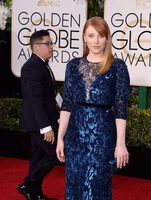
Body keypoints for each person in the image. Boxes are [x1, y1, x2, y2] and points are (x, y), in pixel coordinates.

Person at [56, 16, 130, 199]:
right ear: (84, 38)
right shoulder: (73, 66)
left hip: (102, 136)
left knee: (96, 183)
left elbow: (121, 106)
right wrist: (60, 137)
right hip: (75, 135)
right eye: (91, 35)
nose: (96, 41)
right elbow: (67, 103)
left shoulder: (117, 67)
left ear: (107, 38)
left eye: (100, 36)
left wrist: (120, 143)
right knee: (75, 181)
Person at [18, 29, 59, 200]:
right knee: (54, 155)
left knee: (38, 157)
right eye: (47, 44)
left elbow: (50, 95)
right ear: (36, 47)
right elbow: (35, 100)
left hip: (42, 121)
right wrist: (46, 127)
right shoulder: (32, 67)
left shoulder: (42, 64)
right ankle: (28, 184)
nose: (51, 47)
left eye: (51, 43)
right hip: (39, 124)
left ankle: (34, 193)